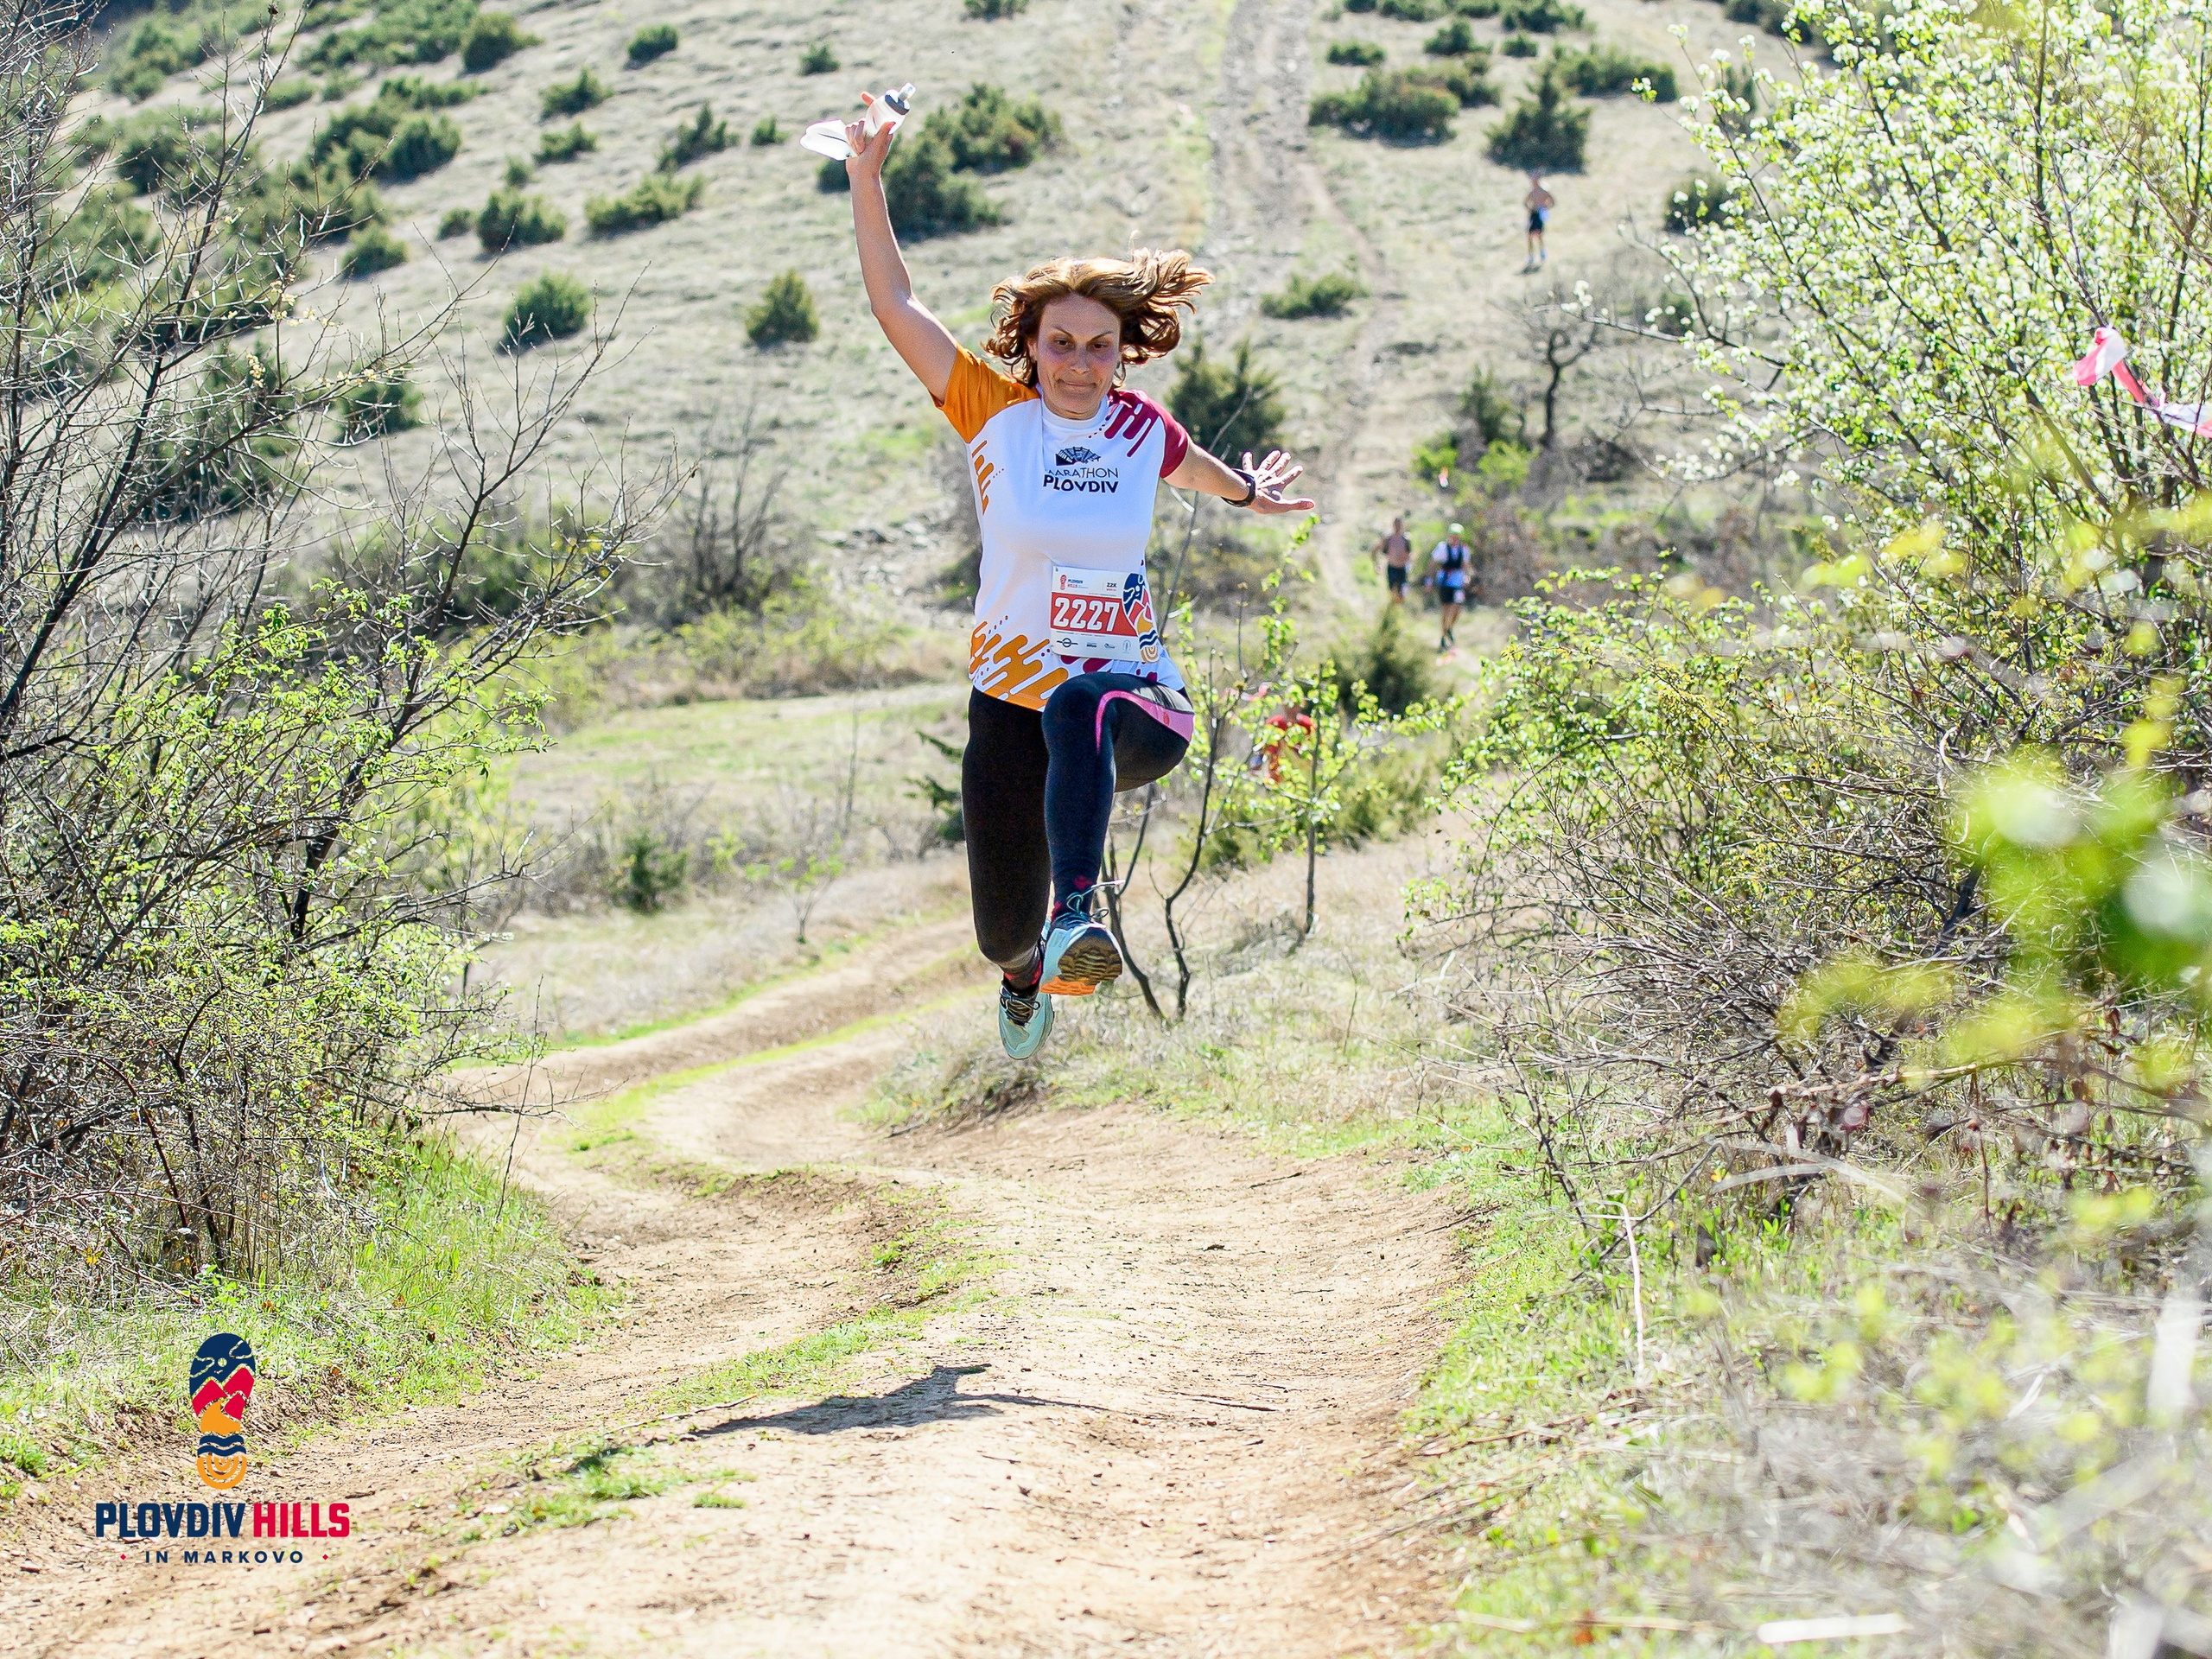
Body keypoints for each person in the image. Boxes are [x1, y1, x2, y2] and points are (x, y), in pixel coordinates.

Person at [836, 92, 1316, 1061]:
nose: (1080, 363)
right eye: (1061, 342)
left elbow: (1204, 471)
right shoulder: (988, 411)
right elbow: (895, 306)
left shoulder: (1142, 430)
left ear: (1123, 352)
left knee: (1083, 704)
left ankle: (1076, 918)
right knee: (995, 933)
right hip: (1005, 707)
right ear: (1030, 343)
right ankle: (1028, 967)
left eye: (1101, 346)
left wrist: (1247, 496)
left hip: (1137, 700)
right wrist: (866, 180)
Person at [1430, 523, 1471, 652]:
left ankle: (1449, 628)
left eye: (1457, 536)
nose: (1455, 539)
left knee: (1457, 607)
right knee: (1446, 609)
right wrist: (1429, 580)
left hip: (1458, 582)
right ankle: (1443, 636)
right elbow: (1432, 563)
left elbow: (1466, 565)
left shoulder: (1463, 549)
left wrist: (1467, 577)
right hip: (1445, 582)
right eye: (1453, 536)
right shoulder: (1442, 548)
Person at [1373, 516, 1412, 604]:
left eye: (1399, 524)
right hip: (1392, 568)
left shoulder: (1406, 539)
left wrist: (1408, 563)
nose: (1398, 527)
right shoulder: (1388, 539)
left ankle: (1398, 608)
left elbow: (1409, 554)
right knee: (1392, 591)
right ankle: (1393, 608)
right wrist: (1377, 564)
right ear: (1393, 525)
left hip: (1402, 569)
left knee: (1402, 593)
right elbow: (1376, 550)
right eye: (1396, 524)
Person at [1524, 173, 1554, 270]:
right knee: (1529, 235)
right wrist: (1530, 208)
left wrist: (1545, 207)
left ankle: (1542, 252)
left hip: (1540, 213)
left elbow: (1552, 201)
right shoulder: (1531, 191)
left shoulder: (1544, 190)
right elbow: (1525, 202)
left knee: (1539, 234)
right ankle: (1531, 256)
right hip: (1533, 214)